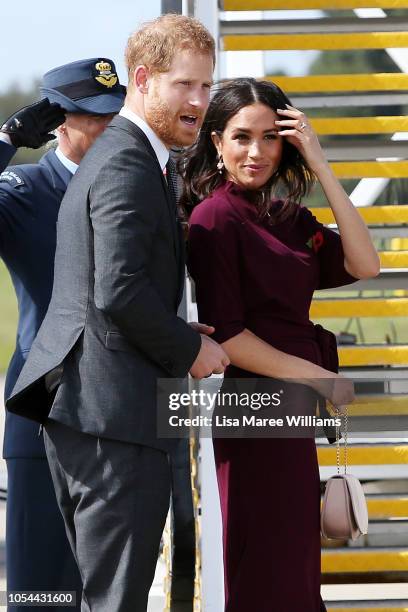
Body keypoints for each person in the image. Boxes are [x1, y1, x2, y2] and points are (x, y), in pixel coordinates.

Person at [7, 15, 229, 611]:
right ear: (144, 79)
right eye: (185, 85)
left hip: (100, 412)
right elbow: (119, 290)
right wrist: (189, 350)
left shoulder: (135, 158)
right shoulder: (127, 161)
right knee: (105, 600)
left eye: (207, 88)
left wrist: (177, 330)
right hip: (108, 420)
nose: (199, 101)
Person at [185, 78, 380, 611]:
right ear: (217, 141)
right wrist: (319, 377)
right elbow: (228, 335)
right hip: (253, 404)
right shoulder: (213, 218)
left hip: (293, 407)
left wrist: (320, 165)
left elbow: (366, 264)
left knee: (293, 569)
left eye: (271, 137)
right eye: (242, 137)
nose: (256, 152)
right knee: (269, 571)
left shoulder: (291, 218)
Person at [0, 58, 126, 610]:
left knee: (118, 592)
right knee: (43, 594)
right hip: (45, 410)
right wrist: (6, 140)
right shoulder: (25, 189)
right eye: (93, 116)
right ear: (57, 121)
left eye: (116, 113)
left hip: (126, 417)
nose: (109, 127)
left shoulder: (141, 188)